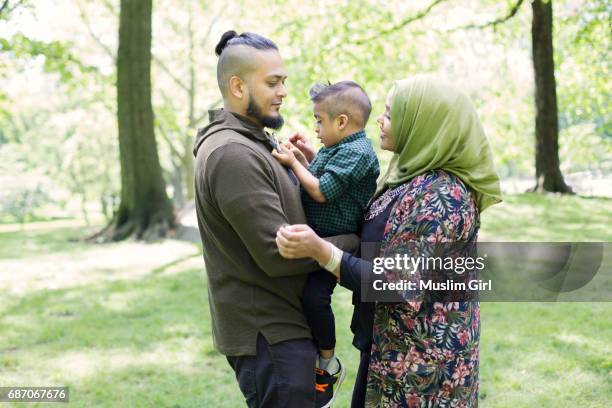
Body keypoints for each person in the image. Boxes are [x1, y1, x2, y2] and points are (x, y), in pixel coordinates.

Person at [275, 75, 502, 407]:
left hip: (421, 369)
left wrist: (322, 251)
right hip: (388, 349)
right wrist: (315, 160)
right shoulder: (408, 179)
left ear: (424, 125)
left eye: (391, 114)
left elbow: (396, 284)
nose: (379, 120)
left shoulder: (443, 196)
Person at [193, 31, 358, 408]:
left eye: (283, 80)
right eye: (272, 82)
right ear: (237, 86)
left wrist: (313, 168)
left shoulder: (256, 142)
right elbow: (280, 253)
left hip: (286, 329)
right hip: (269, 335)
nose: (283, 91)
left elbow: (292, 212)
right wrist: (358, 244)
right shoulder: (232, 153)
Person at [271, 81, 380, 406]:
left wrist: (293, 164)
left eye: (319, 120)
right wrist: (305, 155)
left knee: (316, 299)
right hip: (323, 236)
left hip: (339, 242)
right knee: (309, 298)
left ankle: (328, 363)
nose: (316, 127)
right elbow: (326, 173)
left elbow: (320, 190)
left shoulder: (360, 152)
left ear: (342, 122)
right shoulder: (341, 148)